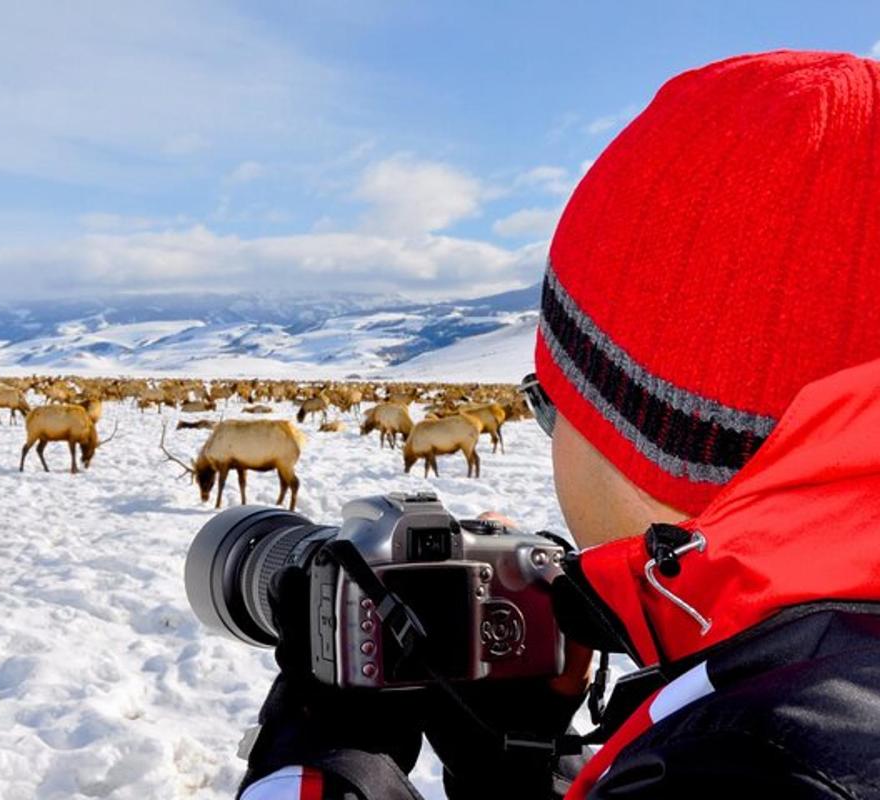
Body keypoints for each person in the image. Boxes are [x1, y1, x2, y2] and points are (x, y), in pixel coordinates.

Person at [238, 50, 880, 799]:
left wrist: (318, 765)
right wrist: (515, 769)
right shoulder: (801, 705)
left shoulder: (758, 767)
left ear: (640, 438)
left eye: (549, 401)